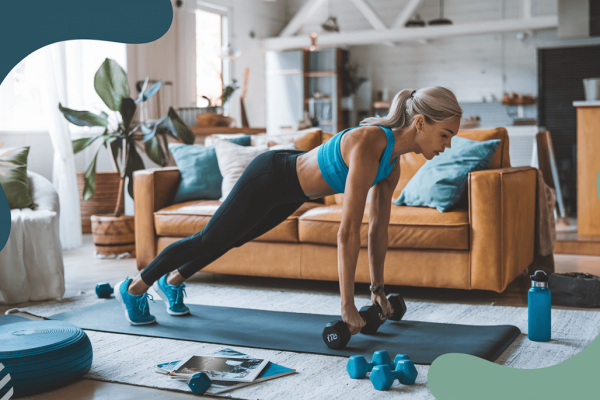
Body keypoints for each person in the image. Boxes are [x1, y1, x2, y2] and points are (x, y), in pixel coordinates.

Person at [114, 86, 463, 335]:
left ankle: (173, 280)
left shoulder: (393, 165)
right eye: (445, 135)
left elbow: (377, 231)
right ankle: (134, 288)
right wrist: (346, 306)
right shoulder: (370, 141)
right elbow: (348, 232)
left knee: (235, 238)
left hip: (289, 193)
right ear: (420, 123)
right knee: (209, 238)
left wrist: (377, 289)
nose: (447, 145)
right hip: (270, 176)